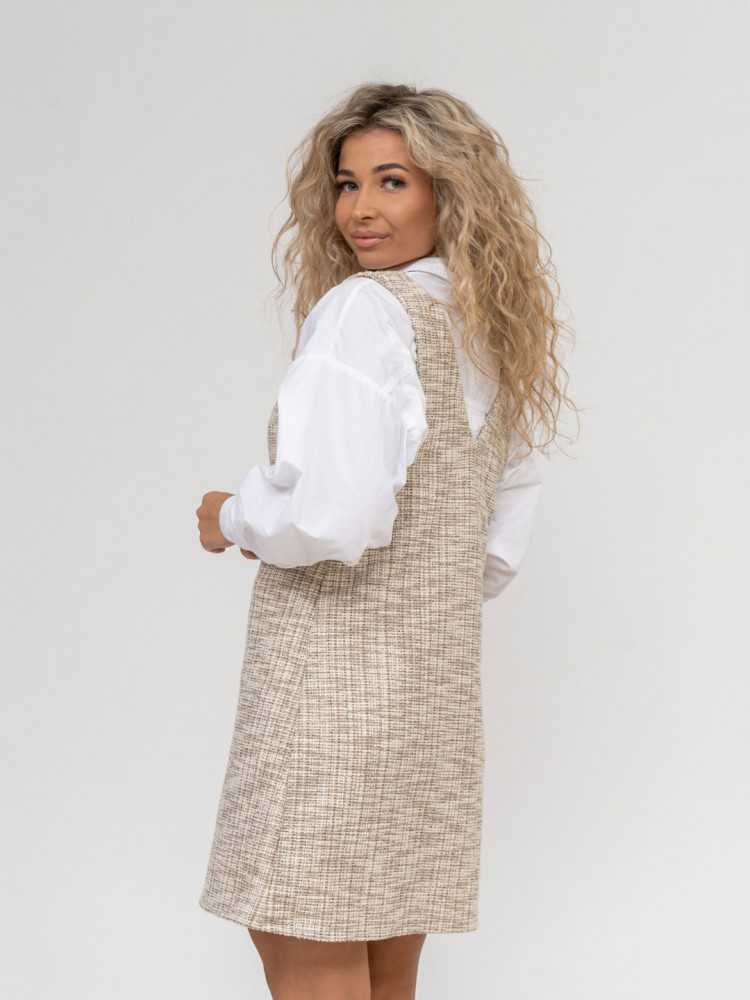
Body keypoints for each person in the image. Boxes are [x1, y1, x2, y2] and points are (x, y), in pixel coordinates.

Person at [195, 82, 576, 1000]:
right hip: (430, 697)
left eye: (392, 181)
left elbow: (330, 516)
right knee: (382, 938)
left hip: (327, 690)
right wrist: (417, 598)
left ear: (450, 192)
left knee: (300, 925)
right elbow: (491, 551)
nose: (361, 208)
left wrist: (236, 515)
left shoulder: (365, 311)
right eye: (347, 183)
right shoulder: (491, 333)